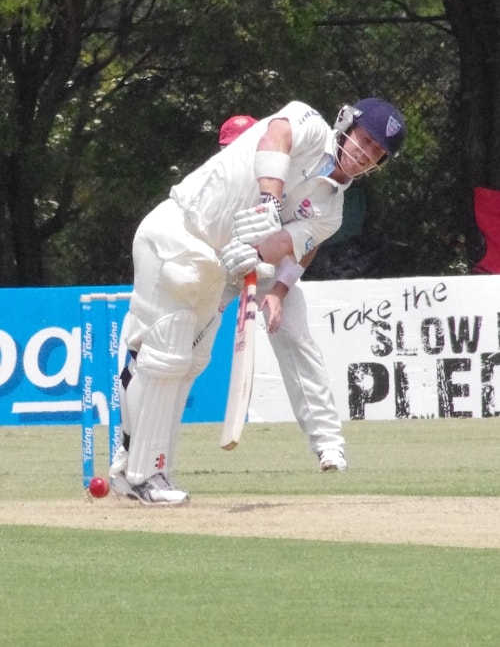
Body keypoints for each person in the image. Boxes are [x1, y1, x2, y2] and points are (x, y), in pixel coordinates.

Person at [110, 98, 406, 506]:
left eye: (376, 152)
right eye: (365, 140)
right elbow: (276, 136)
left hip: (214, 264)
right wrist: (269, 201)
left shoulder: (331, 211)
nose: (364, 153)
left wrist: (255, 255)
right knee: (165, 358)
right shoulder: (308, 124)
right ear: (346, 124)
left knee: (187, 364)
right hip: (178, 232)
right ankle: (141, 473)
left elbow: (284, 244)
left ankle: (141, 470)